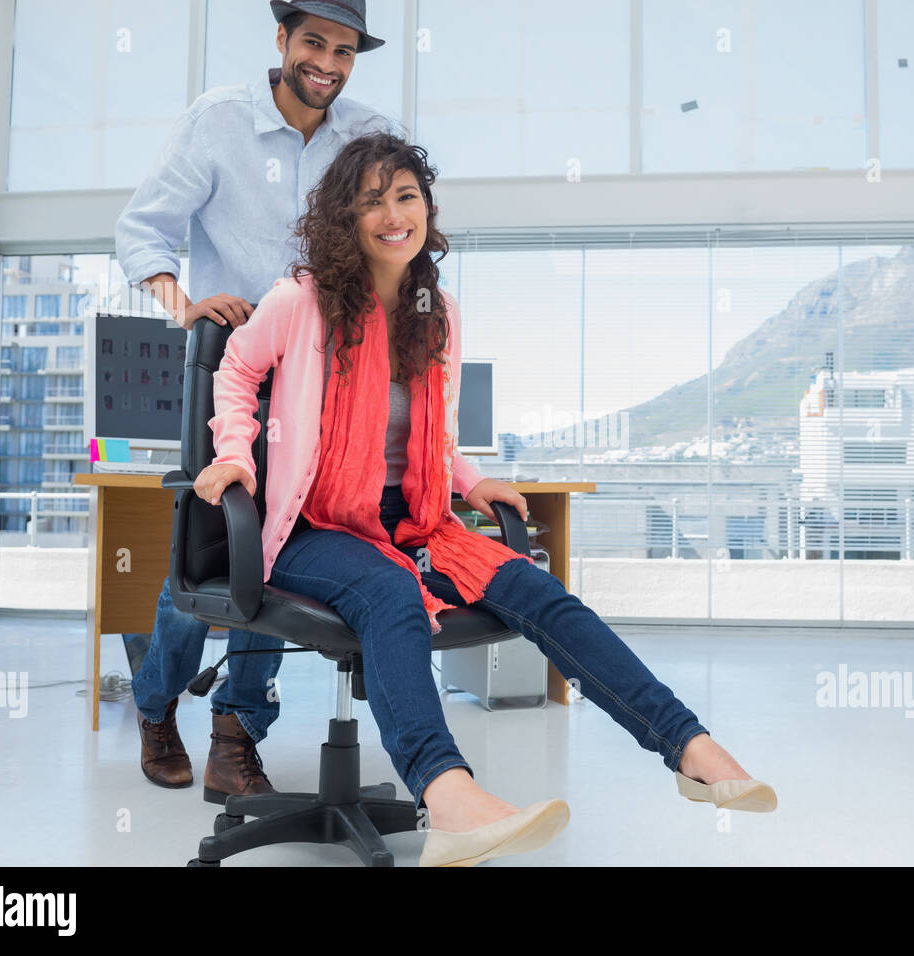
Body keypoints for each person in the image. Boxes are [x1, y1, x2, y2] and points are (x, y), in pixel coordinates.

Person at [195, 131, 778, 866]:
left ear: (427, 210)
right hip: (315, 527)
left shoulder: (433, 313)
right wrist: (230, 457)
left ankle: (688, 745)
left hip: (411, 522)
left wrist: (472, 483)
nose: (393, 214)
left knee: (540, 591)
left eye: (406, 196)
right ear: (345, 217)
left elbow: (430, 442)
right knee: (386, 592)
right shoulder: (300, 300)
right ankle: (448, 797)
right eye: (372, 200)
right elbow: (238, 371)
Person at [113, 0, 393, 802]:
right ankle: (157, 701)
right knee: (213, 555)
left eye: (345, 51)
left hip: (322, 379)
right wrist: (181, 301)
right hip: (231, 367)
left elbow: (392, 236)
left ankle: (236, 734)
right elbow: (144, 230)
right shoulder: (219, 122)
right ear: (281, 41)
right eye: (314, 43)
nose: (328, 66)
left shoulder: (365, 135)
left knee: (280, 552)